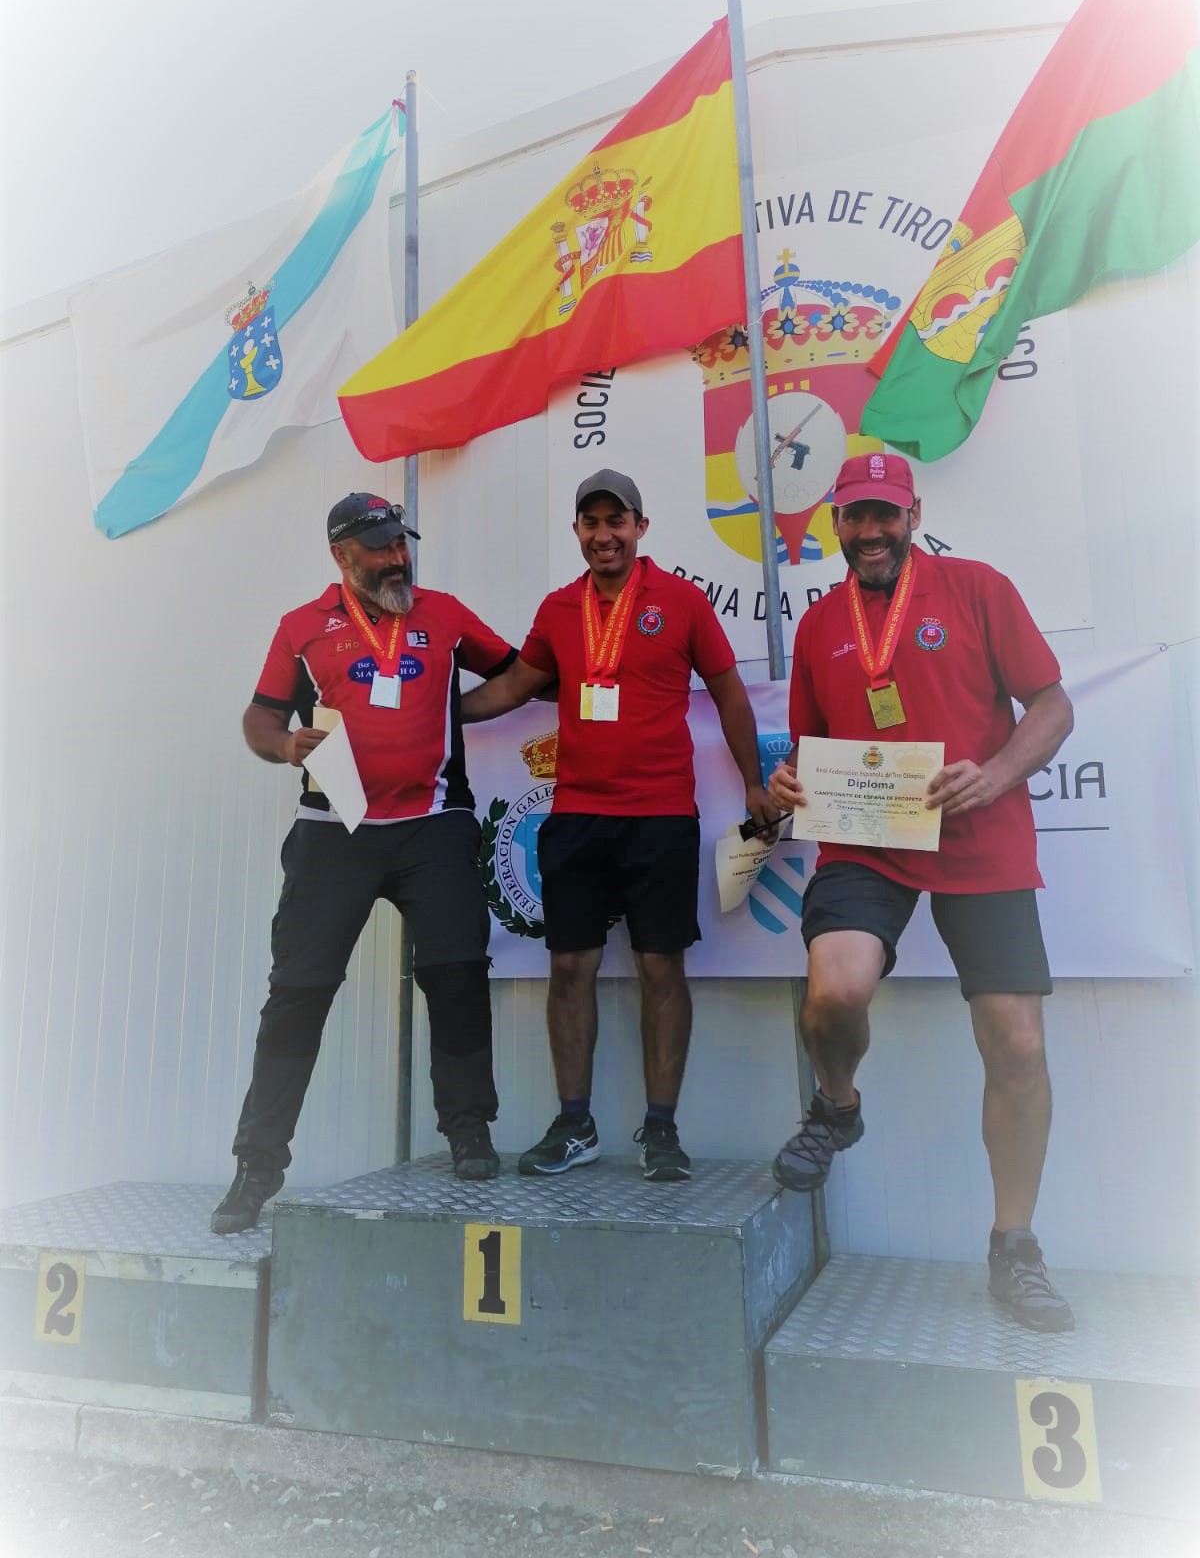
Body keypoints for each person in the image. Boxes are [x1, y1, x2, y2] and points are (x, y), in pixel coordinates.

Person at [766, 450, 1076, 1331]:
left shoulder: (977, 589)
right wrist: (790, 781)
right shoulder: (819, 623)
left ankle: (1014, 1246)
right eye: (855, 517)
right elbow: (812, 752)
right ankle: (837, 1106)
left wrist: (997, 773)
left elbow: (1052, 707)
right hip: (868, 843)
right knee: (834, 994)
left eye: (885, 515)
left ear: (913, 516)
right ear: (835, 523)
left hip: (980, 835)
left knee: (1018, 1048)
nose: (871, 532)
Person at [211, 494, 516, 1234]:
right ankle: (257, 1164)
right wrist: (284, 745)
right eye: (380, 547)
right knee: (298, 991)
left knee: (457, 975)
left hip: (433, 823)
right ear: (342, 556)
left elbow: (517, 673)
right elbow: (260, 716)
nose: (397, 558)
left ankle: (468, 1129)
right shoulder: (302, 627)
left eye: (401, 543)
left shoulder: (444, 615)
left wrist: (457, 711)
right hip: (334, 828)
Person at [461, 469, 774, 1182]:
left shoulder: (683, 602)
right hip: (576, 815)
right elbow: (514, 686)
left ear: (640, 527)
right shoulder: (558, 608)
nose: (604, 535)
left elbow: (730, 695)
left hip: (661, 817)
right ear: (577, 530)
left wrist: (754, 782)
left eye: (617, 521)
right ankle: (575, 1123)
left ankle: (661, 1129)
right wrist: (440, 712)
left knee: (661, 967)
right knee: (569, 967)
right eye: (591, 522)